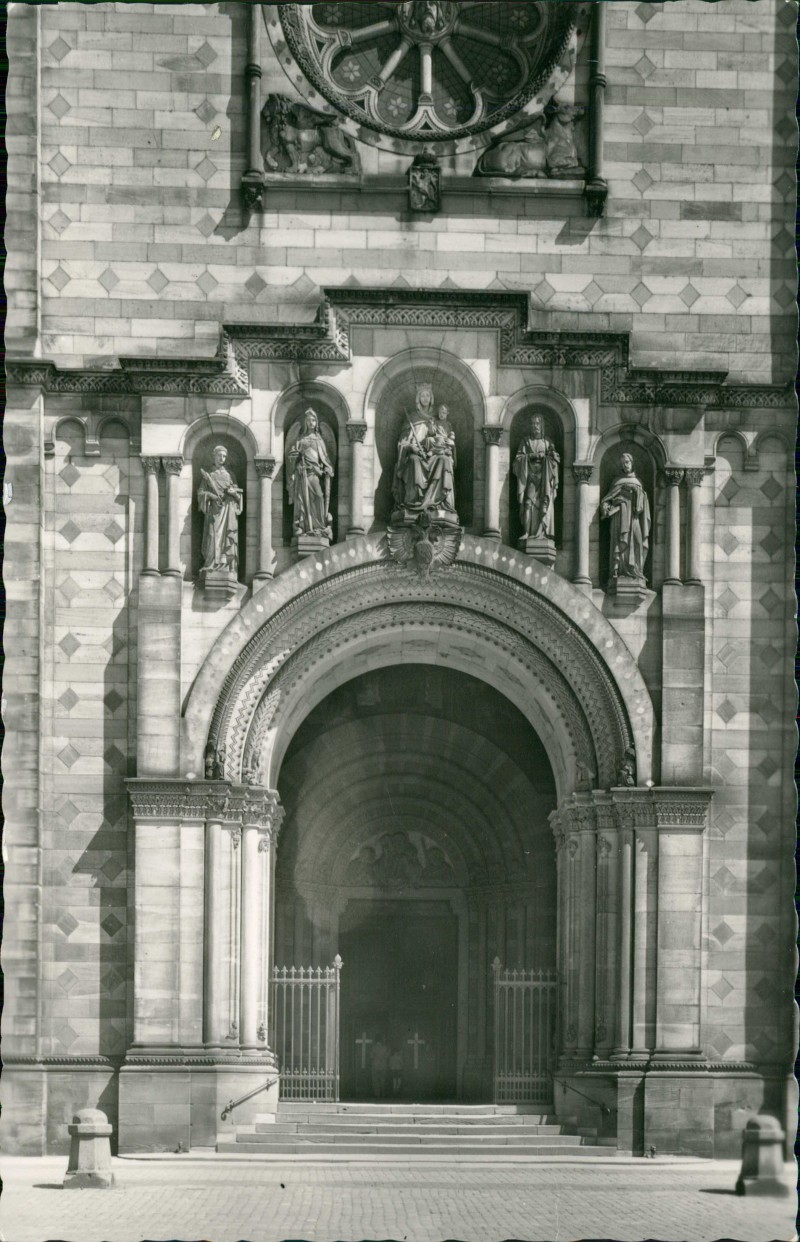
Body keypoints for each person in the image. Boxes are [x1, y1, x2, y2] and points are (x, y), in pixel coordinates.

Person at [600, 451, 651, 584]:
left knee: (638, 541)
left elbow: (643, 503)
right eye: (623, 464)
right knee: (620, 542)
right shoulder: (616, 482)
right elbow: (606, 500)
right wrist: (607, 507)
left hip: (634, 518)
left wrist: (637, 492)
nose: (625, 465)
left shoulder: (638, 482)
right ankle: (619, 571)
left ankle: (637, 571)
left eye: (627, 462)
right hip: (619, 518)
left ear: (632, 463)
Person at [286, 409, 334, 537]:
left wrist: (328, 468)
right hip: (302, 473)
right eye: (308, 420)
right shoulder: (301, 439)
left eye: (313, 420)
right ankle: (304, 526)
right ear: (305, 422)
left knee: (319, 496)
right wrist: (295, 460)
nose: (311, 422)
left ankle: (319, 526)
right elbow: (292, 456)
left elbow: (325, 458)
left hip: (315, 474)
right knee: (303, 500)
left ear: (316, 422)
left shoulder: (319, 440)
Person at [513, 413, 560, 539]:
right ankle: (527, 532)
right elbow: (518, 459)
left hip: (544, 476)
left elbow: (555, 460)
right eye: (533, 423)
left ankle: (541, 533)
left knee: (543, 503)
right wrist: (532, 456)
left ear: (542, 425)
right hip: (530, 476)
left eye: (537, 423)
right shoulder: (526, 441)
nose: (535, 426)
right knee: (528, 503)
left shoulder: (547, 442)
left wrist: (549, 457)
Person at [198, 445, 243, 575]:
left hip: (228, 510)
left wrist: (234, 494)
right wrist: (210, 496)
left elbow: (238, 495)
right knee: (212, 536)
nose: (222, 458)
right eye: (219, 455)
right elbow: (200, 493)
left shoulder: (230, 475)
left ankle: (227, 565)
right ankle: (210, 564)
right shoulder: (209, 475)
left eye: (224, 456)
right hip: (213, 511)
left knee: (227, 537)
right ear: (214, 456)